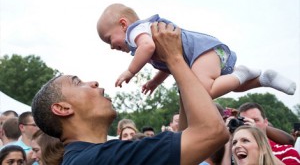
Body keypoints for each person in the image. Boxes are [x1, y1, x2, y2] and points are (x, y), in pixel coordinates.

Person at [31, 21, 229, 164]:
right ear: (62, 108)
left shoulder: (85, 158)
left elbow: (189, 140)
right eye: (77, 82)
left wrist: (183, 72)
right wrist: (174, 58)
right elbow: (211, 133)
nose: (93, 83)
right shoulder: (103, 158)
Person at [96, 3, 296, 99]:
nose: (112, 46)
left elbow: (147, 47)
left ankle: (242, 73)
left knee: (202, 92)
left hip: (201, 51)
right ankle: (264, 80)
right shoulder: (144, 42)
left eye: (109, 39)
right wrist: (155, 81)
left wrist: (130, 71)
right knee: (226, 86)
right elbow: (168, 64)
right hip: (204, 54)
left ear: (123, 24)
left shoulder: (136, 32)